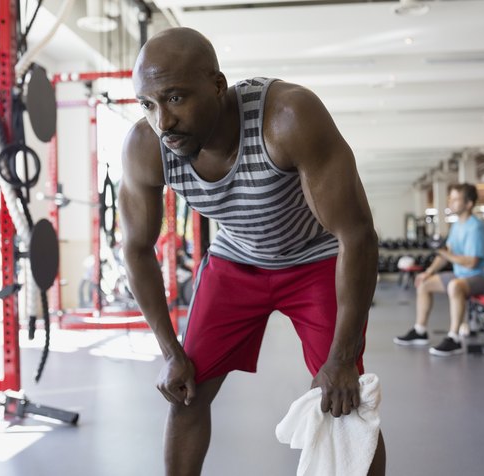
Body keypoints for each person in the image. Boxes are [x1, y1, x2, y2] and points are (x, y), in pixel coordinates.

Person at [118, 27, 386, 475]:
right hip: (235, 262)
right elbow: (136, 249)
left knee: (344, 402)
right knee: (187, 390)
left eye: (176, 98)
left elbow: (357, 235)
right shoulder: (147, 146)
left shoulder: (287, 116)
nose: (162, 122)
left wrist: (342, 358)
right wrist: (170, 353)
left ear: (218, 86)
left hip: (314, 260)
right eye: (148, 104)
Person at [393, 183, 484, 356]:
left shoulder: (475, 227)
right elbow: (444, 254)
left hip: (481, 276)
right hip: (460, 275)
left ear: (469, 204)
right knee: (424, 284)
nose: (451, 203)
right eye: (451, 199)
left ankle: (454, 338)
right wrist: (428, 272)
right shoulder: (456, 226)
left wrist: (445, 254)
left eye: (456, 199)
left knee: (454, 286)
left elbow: (471, 262)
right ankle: (420, 331)